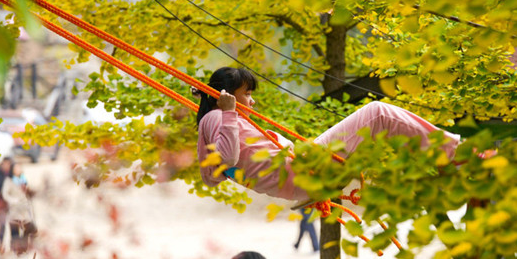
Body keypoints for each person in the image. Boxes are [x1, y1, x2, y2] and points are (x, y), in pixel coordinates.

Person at [196, 67, 461, 201]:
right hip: (304, 172)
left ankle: (444, 155)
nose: (252, 102)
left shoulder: (214, 123)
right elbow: (229, 158)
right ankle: (455, 151)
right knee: (378, 113)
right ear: (227, 96)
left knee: (378, 125)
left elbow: (214, 175)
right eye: (248, 94)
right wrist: (230, 111)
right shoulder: (220, 117)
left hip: (303, 177)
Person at [2, 164, 36, 255]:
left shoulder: (23, 180)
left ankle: (24, 248)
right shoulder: (9, 181)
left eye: (19, 168)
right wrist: (13, 200)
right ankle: (15, 249)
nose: (18, 170)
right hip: (14, 208)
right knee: (14, 229)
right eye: (16, 168)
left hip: (24, 208)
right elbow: (5, 194)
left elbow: (28, 191)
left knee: (28, 228)